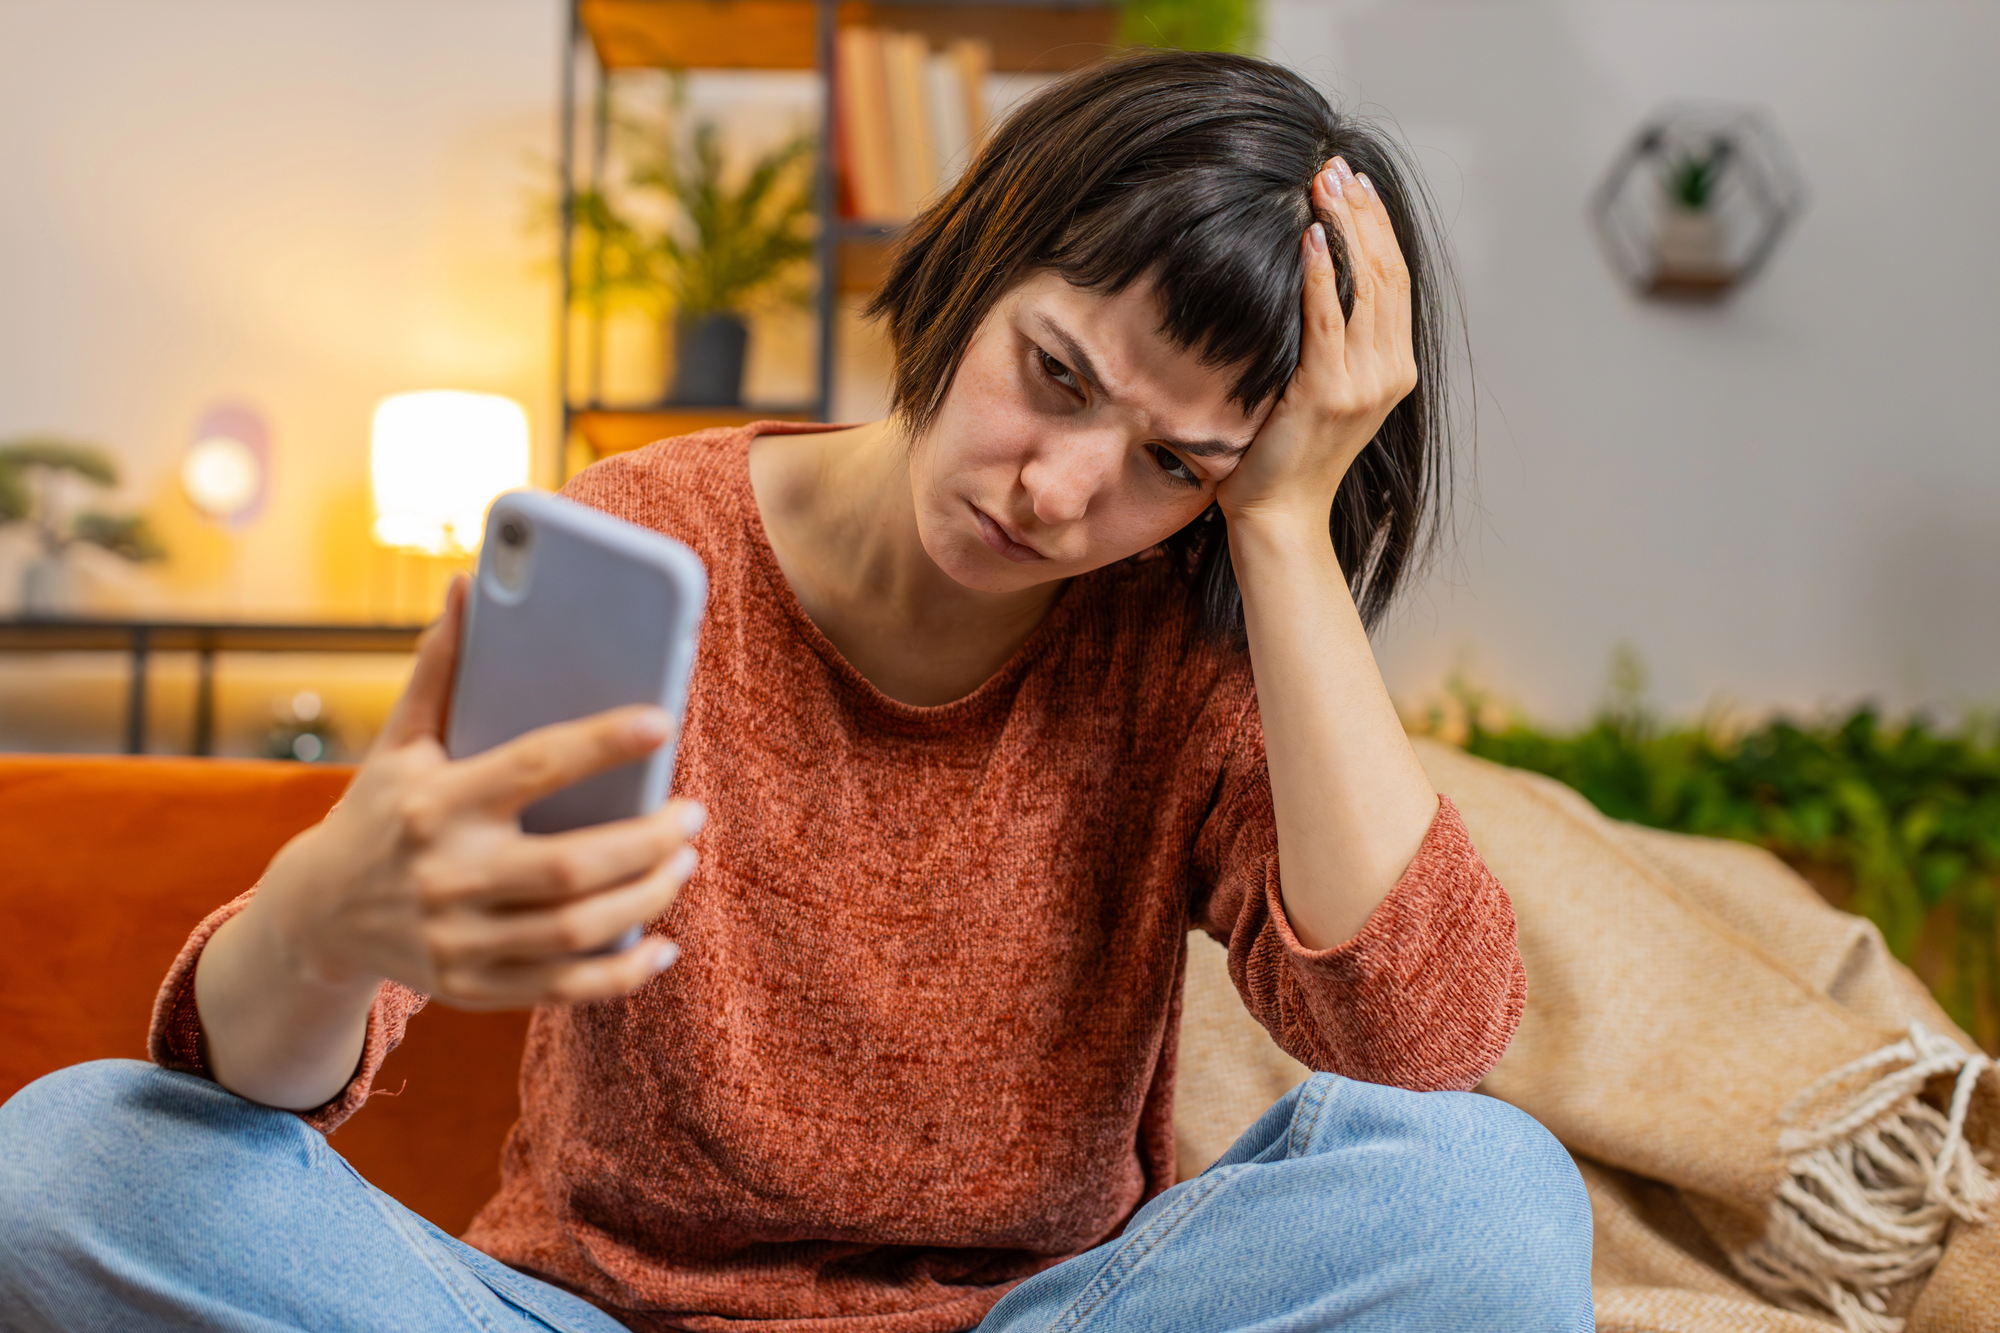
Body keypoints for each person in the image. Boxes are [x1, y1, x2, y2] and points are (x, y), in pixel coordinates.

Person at [0, 50, 1592, 1333]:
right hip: (586, 1315)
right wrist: (330, 916)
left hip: (1026, 1317)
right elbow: (230, 1100)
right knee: (63, 1162)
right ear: (975, 263)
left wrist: (1283, 528)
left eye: (1173, 462)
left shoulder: (1179, 637)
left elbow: (1420, 1040)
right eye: (1056, 372)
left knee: (1486, 1191)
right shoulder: (641, 548)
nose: (1059, 488)